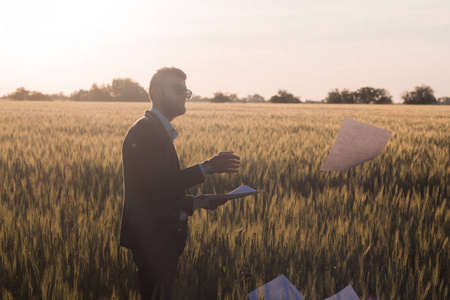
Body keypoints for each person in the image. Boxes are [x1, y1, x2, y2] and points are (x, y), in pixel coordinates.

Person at [119, 67, 240, 299]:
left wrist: (199, 202)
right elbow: (159, 185)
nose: (184, 96)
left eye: (186, 92)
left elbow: (158, 191)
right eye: (178, 90)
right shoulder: (146, 130)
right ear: (156, 92)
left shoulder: (156, 129)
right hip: (151, 239)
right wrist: (208, 167)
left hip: (159, 237)